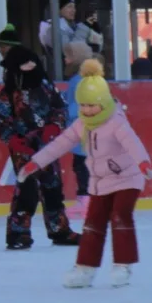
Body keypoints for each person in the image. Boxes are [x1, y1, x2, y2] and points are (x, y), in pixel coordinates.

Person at [21, 59, 152, 288]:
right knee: (93, 223)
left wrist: (143, 164)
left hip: (128, 178)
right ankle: (85, 269)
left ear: (103, 103)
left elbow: (133, 143)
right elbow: (59, 144)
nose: (87, 110)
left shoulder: (116, 122)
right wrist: (35, 163)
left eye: (92, 105)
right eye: (82, 105)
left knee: (120, 216)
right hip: (100, 182)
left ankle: (123, 264)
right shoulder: (82, 124)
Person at [0, 31, 77, 249]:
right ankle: (18, 233)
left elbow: (60, 108)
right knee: (26, 190)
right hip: (23, 147)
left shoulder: (46, 87)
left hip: (48, 145)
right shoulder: (8, 93)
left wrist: (53, 127)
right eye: (24, 65)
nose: (30, 67)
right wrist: (13, 139)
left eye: (32, 63)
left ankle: (59, 229)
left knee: (52, 187)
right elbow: (0, 120)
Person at [61, 40, 94, 198]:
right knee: (81, 165)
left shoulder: (81, 79)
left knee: (82, 166)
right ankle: (85, 198)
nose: (65, 60)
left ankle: (86, 199)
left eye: (68, 56)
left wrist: (66, 110)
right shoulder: (81, 78)